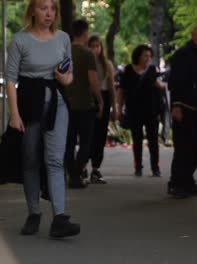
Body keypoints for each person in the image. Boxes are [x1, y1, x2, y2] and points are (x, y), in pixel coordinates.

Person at [5, 0, 80, 238]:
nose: (48, 13)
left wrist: (64, 78)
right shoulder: (20, 40)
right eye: (42, 8)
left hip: (57, 102)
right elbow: (10, 79)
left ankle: (59, 218)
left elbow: (69, 77)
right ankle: (34, 213)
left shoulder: (63, 38)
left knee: (55, 160)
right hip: (29, 102)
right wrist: (14, 114)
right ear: (33, 11)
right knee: (30, 158)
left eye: (52, 9)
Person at [168, 22, 197, 198]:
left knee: (196, 146)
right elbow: (175, 83)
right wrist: (176, 105)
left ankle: (187, 180)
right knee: (183, 147)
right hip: (184, 107)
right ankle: (176, 183)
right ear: (193, 35)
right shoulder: (183, 54)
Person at [65, 19, 103, 189]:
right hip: (84, 104)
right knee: (86, 142)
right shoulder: (88, 54)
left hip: (66, 104)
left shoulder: (63, 52)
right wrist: (100, 100)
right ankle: (76, 174)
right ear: (85, 33)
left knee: (69, 142)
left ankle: (71, 173)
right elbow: (93, 81)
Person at [118, 44, 164, 177]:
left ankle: (155, 168)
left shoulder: (152, 70)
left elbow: (158, 85)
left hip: (151, 111)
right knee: (136, 140)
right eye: (145, 55)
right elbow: (121, 90)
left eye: (150, 56)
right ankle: (138, 167)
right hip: (134, 111)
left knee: (153, 140)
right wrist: (118, 108)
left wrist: (161, 86)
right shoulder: (128, 70)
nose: (148, 58)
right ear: (138, 56)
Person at [87, 35, 118, 184]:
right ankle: (82, 166)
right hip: (89, 97)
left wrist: (114, 106)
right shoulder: (85, 63)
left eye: (97, 46)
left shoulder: (106, 64)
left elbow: (111, 86)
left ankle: (95, 168)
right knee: (88, 134)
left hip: (104, 96)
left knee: (100, 134)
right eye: (92, 46)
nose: (95, 49)